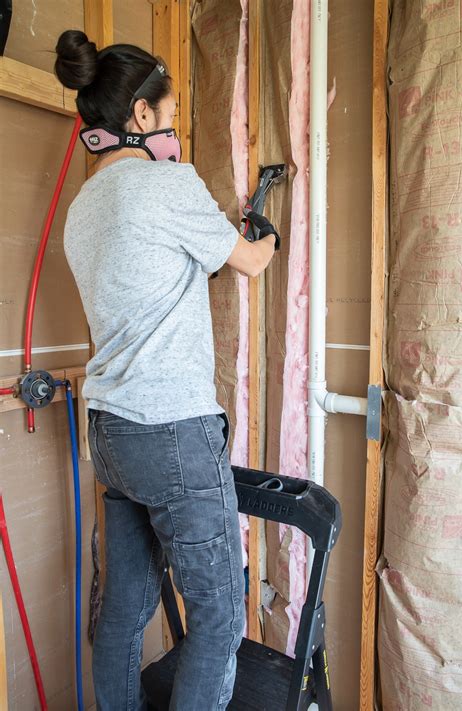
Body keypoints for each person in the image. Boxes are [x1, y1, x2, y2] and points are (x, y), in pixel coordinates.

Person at [54, 30, 279, 711]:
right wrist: (263, 233)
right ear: (141, 116)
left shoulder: (83, 209)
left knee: (124, 611)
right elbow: (247, 262)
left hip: (113, 435)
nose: (174, 125)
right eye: (170, 111)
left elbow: (158, 270)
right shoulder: (168, 183)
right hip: (172, 430)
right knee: (219, 618)